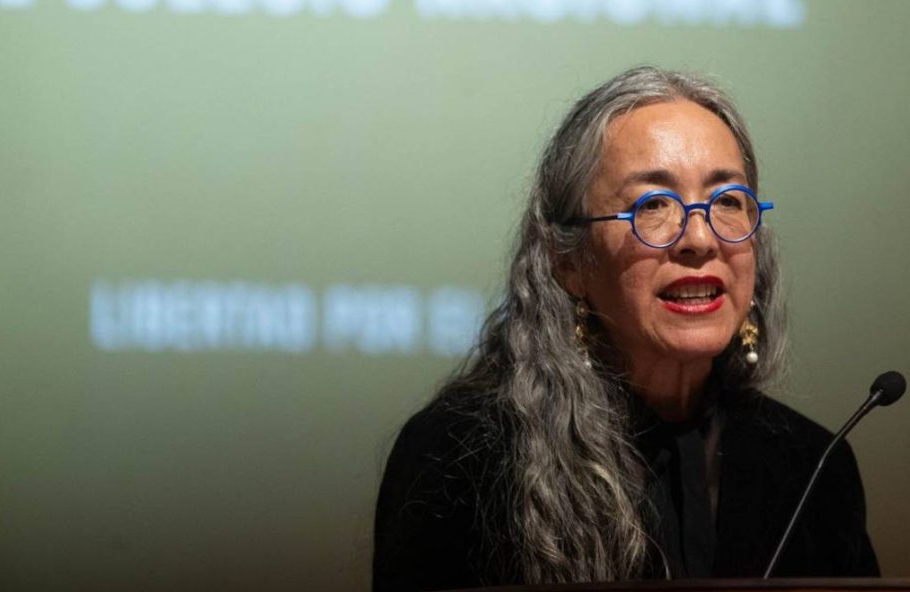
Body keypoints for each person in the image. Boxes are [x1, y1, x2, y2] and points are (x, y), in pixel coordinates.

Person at [372, 66, 879, 590]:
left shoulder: (814, 466)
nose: (700, 239)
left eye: (727, 201)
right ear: (569, 262)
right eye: (652, 205)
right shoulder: (463, 456)